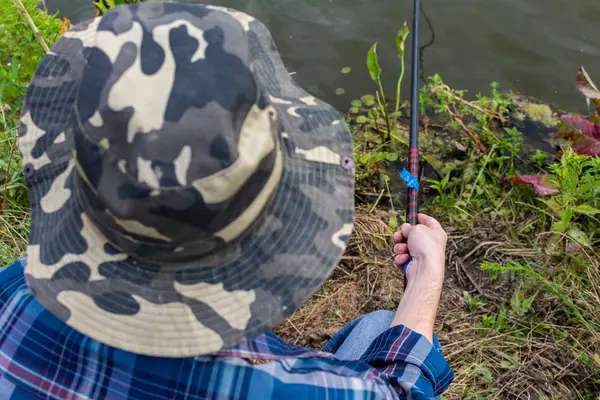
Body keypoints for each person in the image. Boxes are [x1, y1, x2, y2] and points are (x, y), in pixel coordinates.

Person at [0, 2, 453, 399]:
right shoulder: (271, 386)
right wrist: (426, 278)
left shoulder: (18, 293)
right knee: (379, 328)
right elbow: (401, 389)